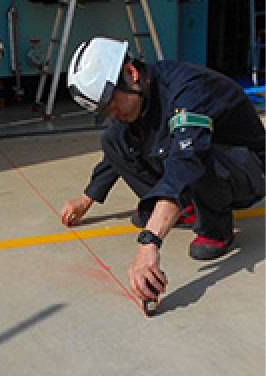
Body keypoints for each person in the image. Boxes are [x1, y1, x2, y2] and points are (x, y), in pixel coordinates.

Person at [61, 36, 265, 304]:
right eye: (104, 110)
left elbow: (187, 159)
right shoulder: (142, 96)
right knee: (114, 138)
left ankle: (216, 227)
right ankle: (186, 206)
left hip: (246, 170)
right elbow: (116, 153)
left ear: (130, 73)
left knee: (191, 152)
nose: (112, 112)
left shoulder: (188, 91)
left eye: (111, 104)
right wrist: (87, 198)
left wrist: (150, 242)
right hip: (202, 161)